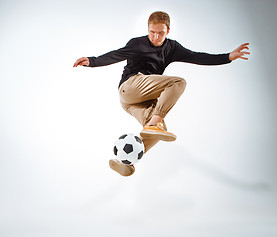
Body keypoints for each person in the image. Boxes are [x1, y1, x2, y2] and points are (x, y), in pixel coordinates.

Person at [73, 11, 250, 177]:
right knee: (178, 82)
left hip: (134, 102)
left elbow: (197, 57)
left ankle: (124, 162)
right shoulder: (137, 43)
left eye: (160, 33)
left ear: (168, 31)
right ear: (147, 29)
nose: (156, 37)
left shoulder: (172, 48)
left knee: (158, 131)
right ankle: (154, 124)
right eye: (152, 32)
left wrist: (227, 57)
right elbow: (116, 55)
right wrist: (92, 61)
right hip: (130, 87)